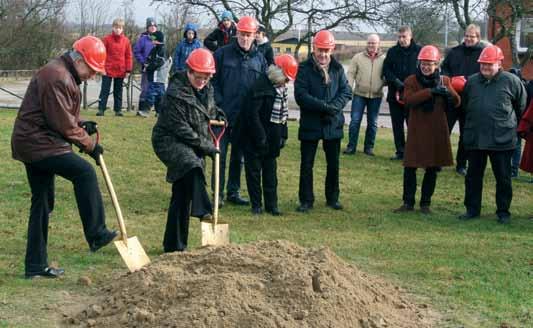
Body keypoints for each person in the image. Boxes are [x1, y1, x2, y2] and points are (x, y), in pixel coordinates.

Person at [11, 36, 117, 279]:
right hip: (39, 144)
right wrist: (90, 146)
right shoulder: (57, 76)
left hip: (35, 142)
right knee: (84, 173)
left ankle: (35, 266)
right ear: (79, 59)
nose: (92, 75)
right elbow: (63, 124)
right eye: (91, 69)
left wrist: (81, 123)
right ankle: (96, 233)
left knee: (42, 202)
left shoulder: (62, 73)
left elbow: (61, 116)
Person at [152, 48, 225, 252]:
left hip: (194, 142)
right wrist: (207, 147)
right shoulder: (174, 94)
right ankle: (203, 210)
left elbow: (209, 110)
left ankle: (173, 245)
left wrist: (220, 114)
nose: (202, 81)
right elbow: (181, 129)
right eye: (198, 77)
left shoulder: (207, 88)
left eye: (206, 77)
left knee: (182, 193)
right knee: (192, 167)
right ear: (189, 72)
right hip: (169, 140)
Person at [459, 45, 527, 224]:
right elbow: (466, 105)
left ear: (499, 63)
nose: (485, 68)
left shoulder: (512, 81)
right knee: (473, 177)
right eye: (482, 65)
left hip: (502, 140)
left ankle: (503, 212)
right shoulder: (472, 82)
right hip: (476, 139)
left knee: (503, 179)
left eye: (489, 65)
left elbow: (521, 107)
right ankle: (472, 209)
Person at [393, 45, 461, 214]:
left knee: (432, 168)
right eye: (423, 63)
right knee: (410, 167)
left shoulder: (444, 80)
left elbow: (457, 101)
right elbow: (408, 100)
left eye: (430, 64)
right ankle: (408, 202)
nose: (426, 67)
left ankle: (425, 204)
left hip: (436, 131)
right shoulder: (411, 80)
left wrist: (449, 95)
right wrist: (431, 92)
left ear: (436, 64)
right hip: (417, 130)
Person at [212, 16, 268, 206]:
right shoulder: (222, 54)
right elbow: (212, 82)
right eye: (242, 34)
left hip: (246, 119)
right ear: (237, 34)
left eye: (249, 35)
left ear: (255, 36)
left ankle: (233, 192)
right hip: (222, 115)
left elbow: (264, 87)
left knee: (239, 157)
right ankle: (217, 194)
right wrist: (218, 104)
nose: (245, 38)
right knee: (220, 156)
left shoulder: (260, 59)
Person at [294, 30, 352, 212]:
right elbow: (301, 96)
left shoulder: (338, 69)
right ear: (314, 48)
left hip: (332, 123)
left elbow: (346, 92)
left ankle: (332, 198)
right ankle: (306, 200)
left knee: (333, 164)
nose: (323, 54)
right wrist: (324, 107)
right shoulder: (303, 69)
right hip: (310, 123)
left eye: (327, 50)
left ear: (332, 49)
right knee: (307, 164)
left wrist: (333, 108)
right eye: (320, 50)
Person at [237, 54, 297, 216]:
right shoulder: (260, 86)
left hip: (272, 137)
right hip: (254, 138)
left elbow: (283, 116)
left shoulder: (281, 90)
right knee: (254, 172)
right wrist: (261, 137)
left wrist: (283, 135)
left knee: (271, 173)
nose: (287, 82)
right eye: (286, 78)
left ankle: (272, 205)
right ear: (278, 72)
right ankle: (256, 205)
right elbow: (252, 115)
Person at [441, 24, 485, 176]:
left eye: (472, 36)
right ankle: (439, 161)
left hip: (470, 100)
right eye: (466, 35)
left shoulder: (482, 54)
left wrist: (468, 81)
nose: (468, 39)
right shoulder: (454, 52)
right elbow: (444, 69)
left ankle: (461, 164)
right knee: (444, 131)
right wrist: (451, 80)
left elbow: (484, 74)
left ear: (478, 37)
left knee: (465, 134)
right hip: (451, 98)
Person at [383, 26, 422, 160]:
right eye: (399, 37)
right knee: (397, 125)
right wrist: (396, 82)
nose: (401, 40)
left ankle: (413, 152)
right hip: (395, 93)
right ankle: (400, 151)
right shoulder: (392, 52)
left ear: (410, 36)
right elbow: (386, 70)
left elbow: (423, 71)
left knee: (413, 125)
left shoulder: (419, 51)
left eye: (404, 37)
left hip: (413, 95)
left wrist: (411, 84)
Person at [344, 33, 386, 156]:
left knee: (372, 123)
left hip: (376, 96)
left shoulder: (384, 59)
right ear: (366, 44)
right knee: (355, 121)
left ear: (378, 44)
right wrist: (349, 88)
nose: (371, 45)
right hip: (359, 95)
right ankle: (351, 147)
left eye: (374, 43)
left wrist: (384, 84)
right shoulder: (357, 58)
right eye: (369, 43)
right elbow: (351, 73)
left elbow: (387, 75)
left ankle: (369, 148)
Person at [97, 18, 133, 117]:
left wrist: (128, 70)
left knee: (118, 91)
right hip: (107, 69)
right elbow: (101, 54)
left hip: (120, 69)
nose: (118, 29)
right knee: (105, 90)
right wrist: (101, 68)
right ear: (113, 27)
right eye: (116, 27)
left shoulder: (126, 41)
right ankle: (101, 109)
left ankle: (118, 110)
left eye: (120, 28)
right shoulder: (106, 39)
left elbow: (128, 56)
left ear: (122, 29)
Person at [133, 17, 157, 117]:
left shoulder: (159, 39)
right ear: (147, 27)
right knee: (145, 88)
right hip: (146, 68)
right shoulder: (143, 39)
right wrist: (143, 61)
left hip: (157, 68)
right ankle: (142, 109)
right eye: (150, 26)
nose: (152, 28)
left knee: (157, 89)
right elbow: (136, 51)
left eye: (154, 26)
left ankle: (157, 110)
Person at [144, 31, 171, 116]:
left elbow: (159, 62)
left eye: (153, 39)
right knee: (160, 95)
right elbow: (149, 58)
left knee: (151, 93)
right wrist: (146, 64)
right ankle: (159, 111)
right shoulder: (155, 49)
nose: (152, 41)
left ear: (158, 40)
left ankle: (146, 110)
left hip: (158, 77)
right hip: (156, 77)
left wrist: (149, 67)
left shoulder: (162, 50)